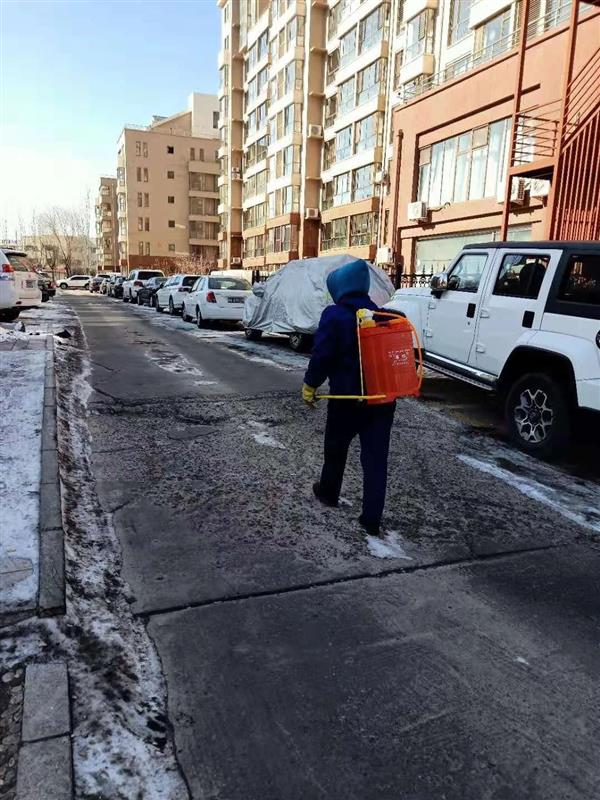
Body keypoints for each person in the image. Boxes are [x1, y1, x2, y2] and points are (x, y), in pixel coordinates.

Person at [302, 259, 400, 537]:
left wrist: (310, 384)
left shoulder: (334, 316)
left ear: (341, 288)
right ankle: (371, 518)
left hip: (346, 398)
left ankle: (328, 492)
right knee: (376, 460)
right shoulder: (383, 315)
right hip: (381, 399)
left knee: (336, 448)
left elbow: (322, 355)